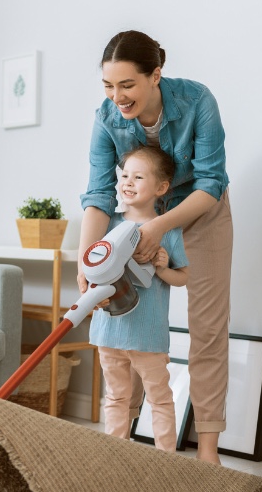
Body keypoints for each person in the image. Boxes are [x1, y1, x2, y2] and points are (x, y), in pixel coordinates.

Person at [79, 30, 232, 464]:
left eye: (127, 85)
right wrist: (86, 254)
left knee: (207, 327)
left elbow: (210, 184)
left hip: (200, 211)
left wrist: (158, 228)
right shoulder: (106, 118)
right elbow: (97, 193)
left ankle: (206, 453)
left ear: (155, 75)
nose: (117, 97)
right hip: (133, 219)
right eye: (109, 86)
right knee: (125, 325)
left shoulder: (197, 101)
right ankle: (121, 447)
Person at [89, 145, 188, 452]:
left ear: (161, 187)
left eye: (138, 177)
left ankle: (166, 461)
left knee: (158, 397)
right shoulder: (108, 224)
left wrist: (162, 268)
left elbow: (183, 277)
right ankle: (116, 457)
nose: (127, 182)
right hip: (109, 330)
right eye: (125, 175)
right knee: (116, 397)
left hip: (147, 334)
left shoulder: (168, 232)